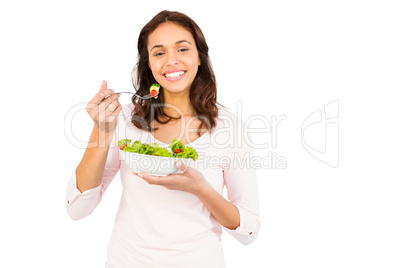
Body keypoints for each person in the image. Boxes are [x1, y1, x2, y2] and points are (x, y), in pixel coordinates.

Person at [66, 10, 260, 268]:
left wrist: (200, 189)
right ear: (148, 64)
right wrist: (102, 130)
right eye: (159, 53)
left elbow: (249, 230)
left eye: (182, 49)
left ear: (199, 58)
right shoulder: (123, 119)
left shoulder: (228, 128)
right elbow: (77, 209)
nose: (172, 61)